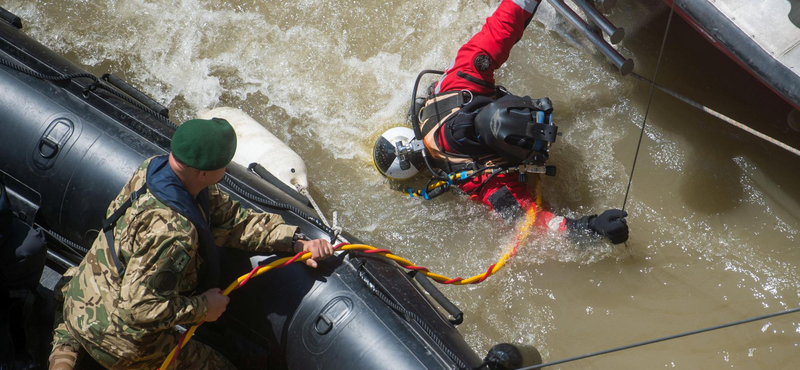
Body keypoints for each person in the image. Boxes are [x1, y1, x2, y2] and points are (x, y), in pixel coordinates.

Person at [48, 118, 334, 370]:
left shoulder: (154, 170)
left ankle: (64, 354)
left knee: (79, 315)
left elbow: (234, 220)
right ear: (203, 173)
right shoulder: (175, 235)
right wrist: (202, 308)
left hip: (81, 297)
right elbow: (139, 310)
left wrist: (296, 241)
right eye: (223, 165)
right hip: (119, 340)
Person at [379, 0, 628, 244]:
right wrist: (593, 228)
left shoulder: (465, 79)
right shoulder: (482, 178)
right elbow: (528, 224)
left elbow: (503, 25)